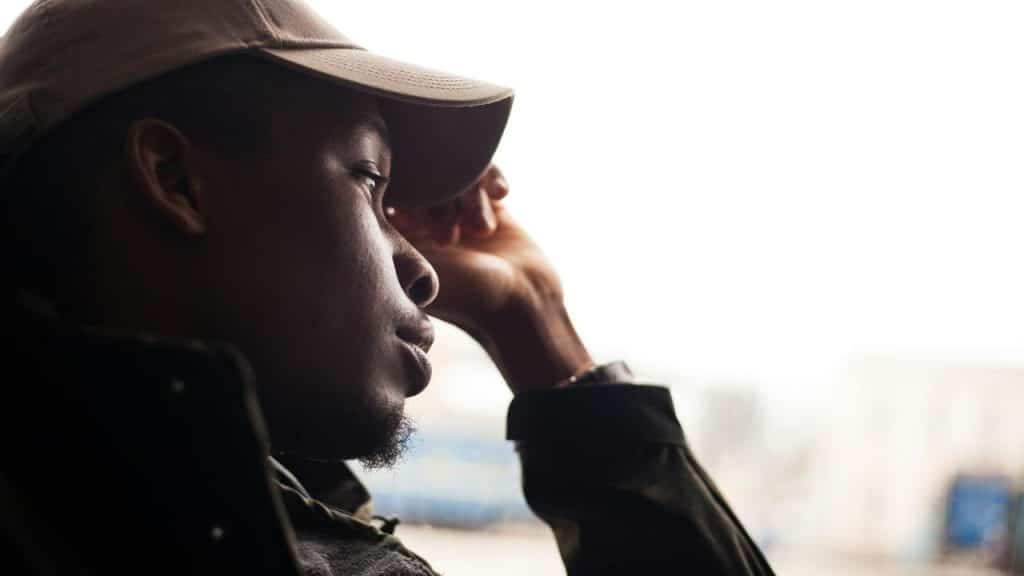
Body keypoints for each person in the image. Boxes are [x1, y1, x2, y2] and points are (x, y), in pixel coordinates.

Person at [0, 0, 775, 574]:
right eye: (371, 180)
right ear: (176, 179)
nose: (427, 271)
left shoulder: (254, 515)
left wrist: (528, 317)